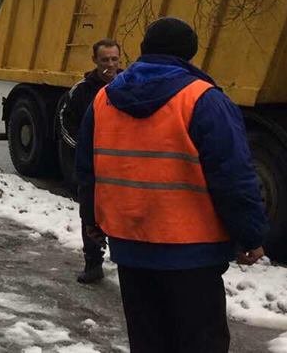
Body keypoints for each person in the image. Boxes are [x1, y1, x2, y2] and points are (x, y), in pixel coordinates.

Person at [77, 17, 268, 353]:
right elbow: (233, 177)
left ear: (144, 50)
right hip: (192, 251)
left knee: (148, 339)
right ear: (189, 55)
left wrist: (92, 219)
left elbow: (87, 169)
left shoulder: (103, 100)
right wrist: (250, 234)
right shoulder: (204, 99)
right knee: (200, 341)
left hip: (130, 247)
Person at [58, 38, 121, 284]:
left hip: (120, 168)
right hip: (92, 168)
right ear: (94, 60)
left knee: (120, 214)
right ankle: (93, 263)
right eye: (105, 60)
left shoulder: (129, 86)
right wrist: (83, 151)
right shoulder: (81, 90)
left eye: (114, 59)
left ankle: (124, 260)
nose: (110, 64)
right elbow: (65, 123)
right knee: (90, 214)